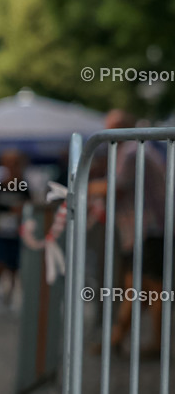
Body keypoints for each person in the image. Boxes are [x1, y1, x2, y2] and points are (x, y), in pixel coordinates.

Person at [88, 110, 167, 355]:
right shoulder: (133, 150)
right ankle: (118, 339)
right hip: (144, 230)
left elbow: (117, 186)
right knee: (141, 289)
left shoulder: (132, 151)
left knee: (151, 289)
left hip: (148, 230)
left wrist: (83, 186)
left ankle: (155, 345)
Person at [0, 149, 30, 309]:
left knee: (14, 265)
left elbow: (31, 206)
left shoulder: (24, 187)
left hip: (16, 232)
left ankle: (9, 291)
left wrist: (21, 212)